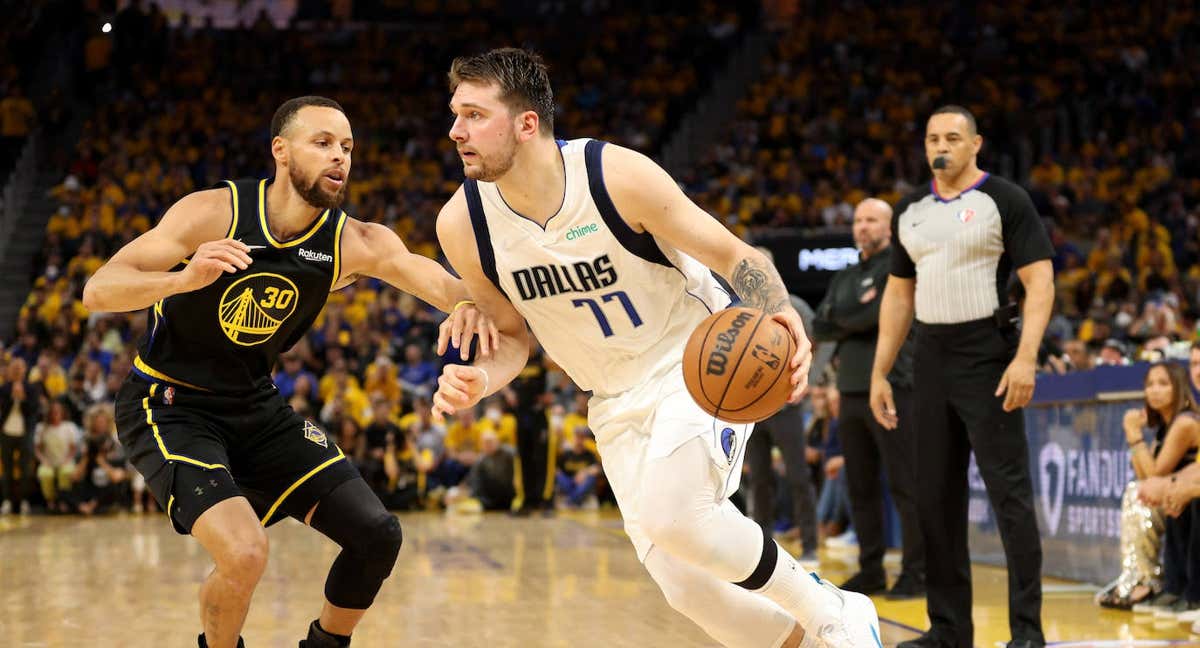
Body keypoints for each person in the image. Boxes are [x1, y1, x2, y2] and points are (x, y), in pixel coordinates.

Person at [430, 48, 879, 648]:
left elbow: (735, 255)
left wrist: (775, 308)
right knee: (686, 588)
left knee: (679, 518)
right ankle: (816, 641)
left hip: (694, 359)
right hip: (612, 398)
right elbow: (513, 337)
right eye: (455, 114)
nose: (455, 130)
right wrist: (481, 380)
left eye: (473, 114)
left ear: (526, 123)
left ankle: (832, 608)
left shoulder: (615, 176)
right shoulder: (462, 225)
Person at [82, 96, 495, 648]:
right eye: (322, 143)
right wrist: (181, 280)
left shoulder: (352, 241)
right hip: (170, 406)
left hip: (255, 407)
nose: (339, 158)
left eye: (346, 147)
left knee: (376, 534)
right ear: (280, 150)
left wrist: (469, 301)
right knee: (245, 553)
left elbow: (438, 282)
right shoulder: (214, 212)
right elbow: (98, 289)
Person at [870, 105, 1055, 648]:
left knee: (1009, 496)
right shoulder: (910, 211)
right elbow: (899, 296)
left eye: (952, 136)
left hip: (988, 354)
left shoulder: (1005, 200)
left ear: (976, 144)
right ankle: (950, 629)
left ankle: (1027, 631)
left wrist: (1025, 358)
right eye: (931, 138)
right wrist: (881, 372)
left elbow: (1039, 283)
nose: (940, 146)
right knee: (934, 498)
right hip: (929, 357)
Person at [812, 198, 924, 599]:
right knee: (859, 486)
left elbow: (879, 315)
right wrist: (853, 317)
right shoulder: (845, 275)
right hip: (851, 391)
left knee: (904, 483)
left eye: (872, 220)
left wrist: (849, 319)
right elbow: (821, 325)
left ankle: (917, 572)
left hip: (895, 386)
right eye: (858, 220)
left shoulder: (899, 267)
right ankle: (871, 570)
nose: (863, 226)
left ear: (889, 227)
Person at [1121, 363, 1200, 620]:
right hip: (1177, 493)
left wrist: (1134, 436)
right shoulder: (1165, 427)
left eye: (1163, 384)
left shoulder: (1186, 421)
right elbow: (1148, 478)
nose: (1154, 391)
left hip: (1187, 494)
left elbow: (1155, 475)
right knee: (1139, 491)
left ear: (1178, 387)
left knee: (1146, 495)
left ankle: (1153, 582)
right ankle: (1154, 582)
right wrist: (1136, 440)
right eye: (1149, 384)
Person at [0, 357, 43, 515]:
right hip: (6, 432)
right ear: (10, 370)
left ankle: (24, 501)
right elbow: (2, 411)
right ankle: (7, 501)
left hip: (25, 433)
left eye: (20, 367)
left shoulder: (32, 389)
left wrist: (22, 398)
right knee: (7, 469)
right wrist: (12, 398)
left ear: (25, 370)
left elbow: (34, 411)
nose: (17, 370)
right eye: (14, 368)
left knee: (26, 469)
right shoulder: (4, 388)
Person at [35, 399, 81, 513]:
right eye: (53, 411)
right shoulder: (42, 427)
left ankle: (63, 500)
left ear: (63, 413)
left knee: (66, 472)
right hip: (48, 461)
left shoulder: (69, 426)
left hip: (65, 460)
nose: (55, 414)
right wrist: (44, 461)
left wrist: (67, 460)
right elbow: (37, 449)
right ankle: (50, 501)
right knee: (45, 473)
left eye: (58, 411)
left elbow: (74, 449)